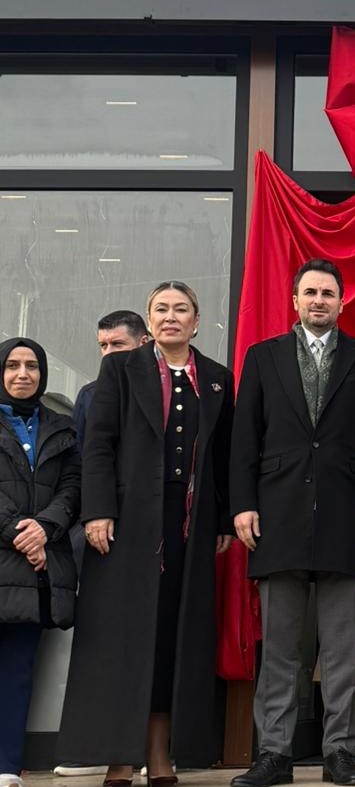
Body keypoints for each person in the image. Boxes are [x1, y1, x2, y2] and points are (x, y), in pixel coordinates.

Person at [59, 282, 235, 784]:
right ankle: (119, 755)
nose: (171, 316)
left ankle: (159, 754)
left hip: (188, 527)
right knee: (122, 637)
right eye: (161, 309)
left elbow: (223, 457)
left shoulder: (217, 379)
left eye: (181, 309)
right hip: (125, 524)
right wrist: (97, 511)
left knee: (169, 639)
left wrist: (223, 520)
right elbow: (98, 445)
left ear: (196, 321)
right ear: (149, 320)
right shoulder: (120, 368)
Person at [230, 259, 355, 787]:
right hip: (276, 513)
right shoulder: (263, 357)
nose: (319, 300)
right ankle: (274, 754)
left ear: (341, 302)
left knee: (341, 648)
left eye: (327, 293)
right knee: (280, 647)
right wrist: (243, 503)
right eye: (310, 292)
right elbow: (244, 439)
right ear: (295, 300)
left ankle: (339, 753)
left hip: (347, 515)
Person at [0, 338, 80, 787]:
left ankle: (7, 766)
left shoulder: (62, 429)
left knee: (17, 673)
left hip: (35, 572)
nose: (22, 374)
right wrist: (18, 531)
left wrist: (45, 529)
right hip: (13, 552)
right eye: (12, 365)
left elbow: (73, 487)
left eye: (31, 366)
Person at [73, 311, 151, 444]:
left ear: (143, 343)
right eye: (103, 345)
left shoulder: (163, 387)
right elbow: (78, 448)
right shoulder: (89, 394)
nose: (108, 353)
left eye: (117, 344)